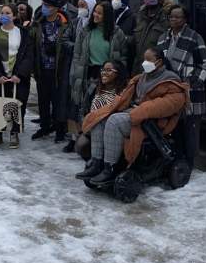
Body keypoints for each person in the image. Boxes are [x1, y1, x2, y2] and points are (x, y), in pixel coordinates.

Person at [79, 47, 189, 185]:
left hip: (149, 123)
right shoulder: (141, 78)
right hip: (132, 114)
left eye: (148, 60)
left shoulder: (172, 83)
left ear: (159, 62)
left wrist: (138, 111)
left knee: (114, 121)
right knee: (99, 119)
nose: (144, 63)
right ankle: (96, 163)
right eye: (144, 59)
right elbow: (124, 98)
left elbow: (164, 105)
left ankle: (110, 168)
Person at [156, 4, 206, 166]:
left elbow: (205, 65)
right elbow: (158, 62)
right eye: (171, 17)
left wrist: (190, 82)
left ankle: (190, 162)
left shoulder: (194, 37)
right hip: (169, 90)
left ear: (185, 19)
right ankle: (177, 162)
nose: (174, 20)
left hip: (190, 92)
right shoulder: (163, 38)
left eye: (178, 17)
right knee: (174, 128)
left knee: (191, 129)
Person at [0, 4, 35, 148]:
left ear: (14, 16)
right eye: (2, 13)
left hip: (16, 77)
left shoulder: (23, 33)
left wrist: (20, 74)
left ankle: (14, 133)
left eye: (8, 13)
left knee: (16, 103)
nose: (4, 15)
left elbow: (28, 56)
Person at [70, 1, 129, 125]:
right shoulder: (86, 31)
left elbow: (123, 58)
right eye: (95, 12)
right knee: (83, 106)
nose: (95, 15)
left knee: (102, 109)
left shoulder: (117, 33)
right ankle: (80, 137)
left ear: (107, 16)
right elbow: (77, 55)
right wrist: (76, 73)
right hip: (88, 72)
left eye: (100, 13)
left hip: (107, 76)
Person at [75, 60, 129, 178]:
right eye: (103, 70)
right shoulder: (95, 87)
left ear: (118, 74)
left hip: (110, 128)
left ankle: (109, 167)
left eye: (109, 70)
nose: (104, 73)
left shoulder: (124, 92)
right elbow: (84, 109)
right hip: (93, 126)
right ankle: (95, 164)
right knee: (81, 145)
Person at [31, 0, 71, 143]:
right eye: (43, 4)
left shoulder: (65, 24)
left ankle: (59, 129)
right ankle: (45, 126)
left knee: (58, 101)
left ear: (56, 8)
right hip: (42, 69)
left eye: (48, 5)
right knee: (43, 100)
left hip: (58, 70)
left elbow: (70, 43)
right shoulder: (39, 22)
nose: (44, 8)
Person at [132, 0, 168, 75]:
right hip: (137, 67)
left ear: (161, 0)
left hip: (154, 68)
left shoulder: (165, 20)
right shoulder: (139, 17)